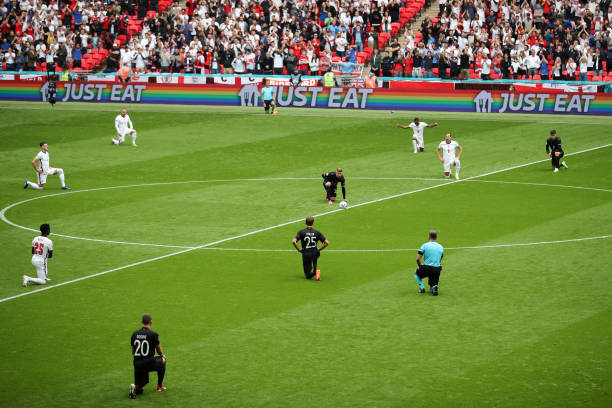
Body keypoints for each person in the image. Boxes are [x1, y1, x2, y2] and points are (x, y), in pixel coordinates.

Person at [129, 313, 167, 399]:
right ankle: (159, 386)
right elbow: (159, 350)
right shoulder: (154, 334)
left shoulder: (134, 334)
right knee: (163, 360)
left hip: (137, 365)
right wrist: (161, 355)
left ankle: (134, 387)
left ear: (142, 322)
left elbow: (133, 351)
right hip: (149, 363)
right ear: (151, 322)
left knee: (140, 390)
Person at [292, 216, 329, 281]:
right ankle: (315, 269)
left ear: (305, 223)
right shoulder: (317, 232)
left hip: (306, 254)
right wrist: (319, 249)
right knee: (315, 257)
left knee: (307, 276)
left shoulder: (301, 232)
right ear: (313, 223)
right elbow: (326, 243)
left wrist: (298, 249)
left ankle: (315, 272)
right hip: (315, 253)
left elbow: (293, 241)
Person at [414, 230, 444, 296]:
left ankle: (422, 288)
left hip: (427, 268)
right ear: (436, 237)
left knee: (416, 272)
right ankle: (434, 287)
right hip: (437, 269)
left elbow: (417, 259)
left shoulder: (424, 245)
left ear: (429, 236)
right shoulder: (441, 247)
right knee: (432, 285)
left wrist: (420, 266)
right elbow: (440, 259)